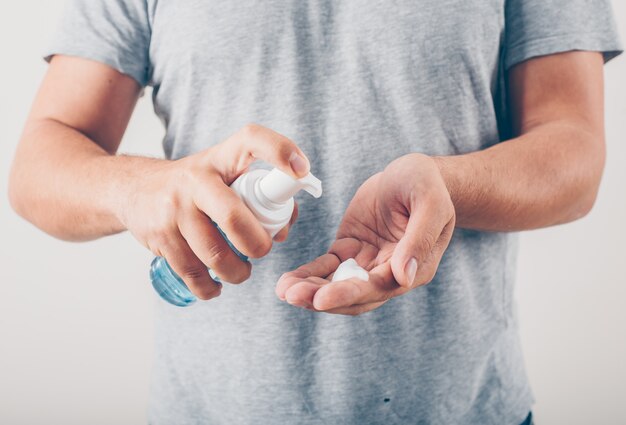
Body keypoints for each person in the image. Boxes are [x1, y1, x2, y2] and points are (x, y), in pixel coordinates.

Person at [7, 0, 622, 423]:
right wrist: (142, 187)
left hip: (463, 409)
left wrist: (449, 186)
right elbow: (38, 166)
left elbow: (574, 152)